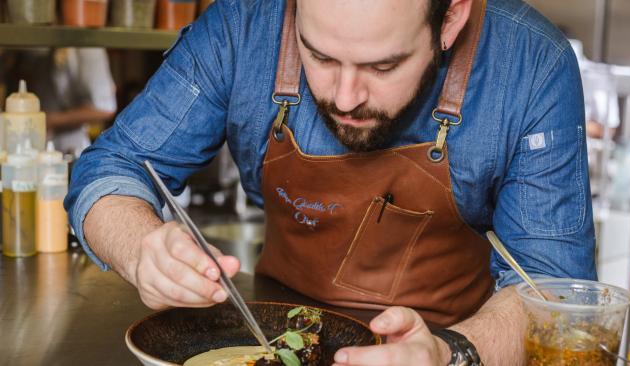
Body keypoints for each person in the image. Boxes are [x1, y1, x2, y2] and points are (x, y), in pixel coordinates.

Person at [65, 0, 596, 364]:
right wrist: (139, 248)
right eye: (318, 56)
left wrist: (451, 353)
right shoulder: (244, 25)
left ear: (451, 17)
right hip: (271, 345)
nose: (344, 98)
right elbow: (113, 166)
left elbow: (554, 293)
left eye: (383, 66)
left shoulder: (530, 65)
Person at [6, 47, 117, 156]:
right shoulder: (39, 44)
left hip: (70, 146)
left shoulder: (88, 49)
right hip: (31, 144)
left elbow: (104, 108)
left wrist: (49, 120)